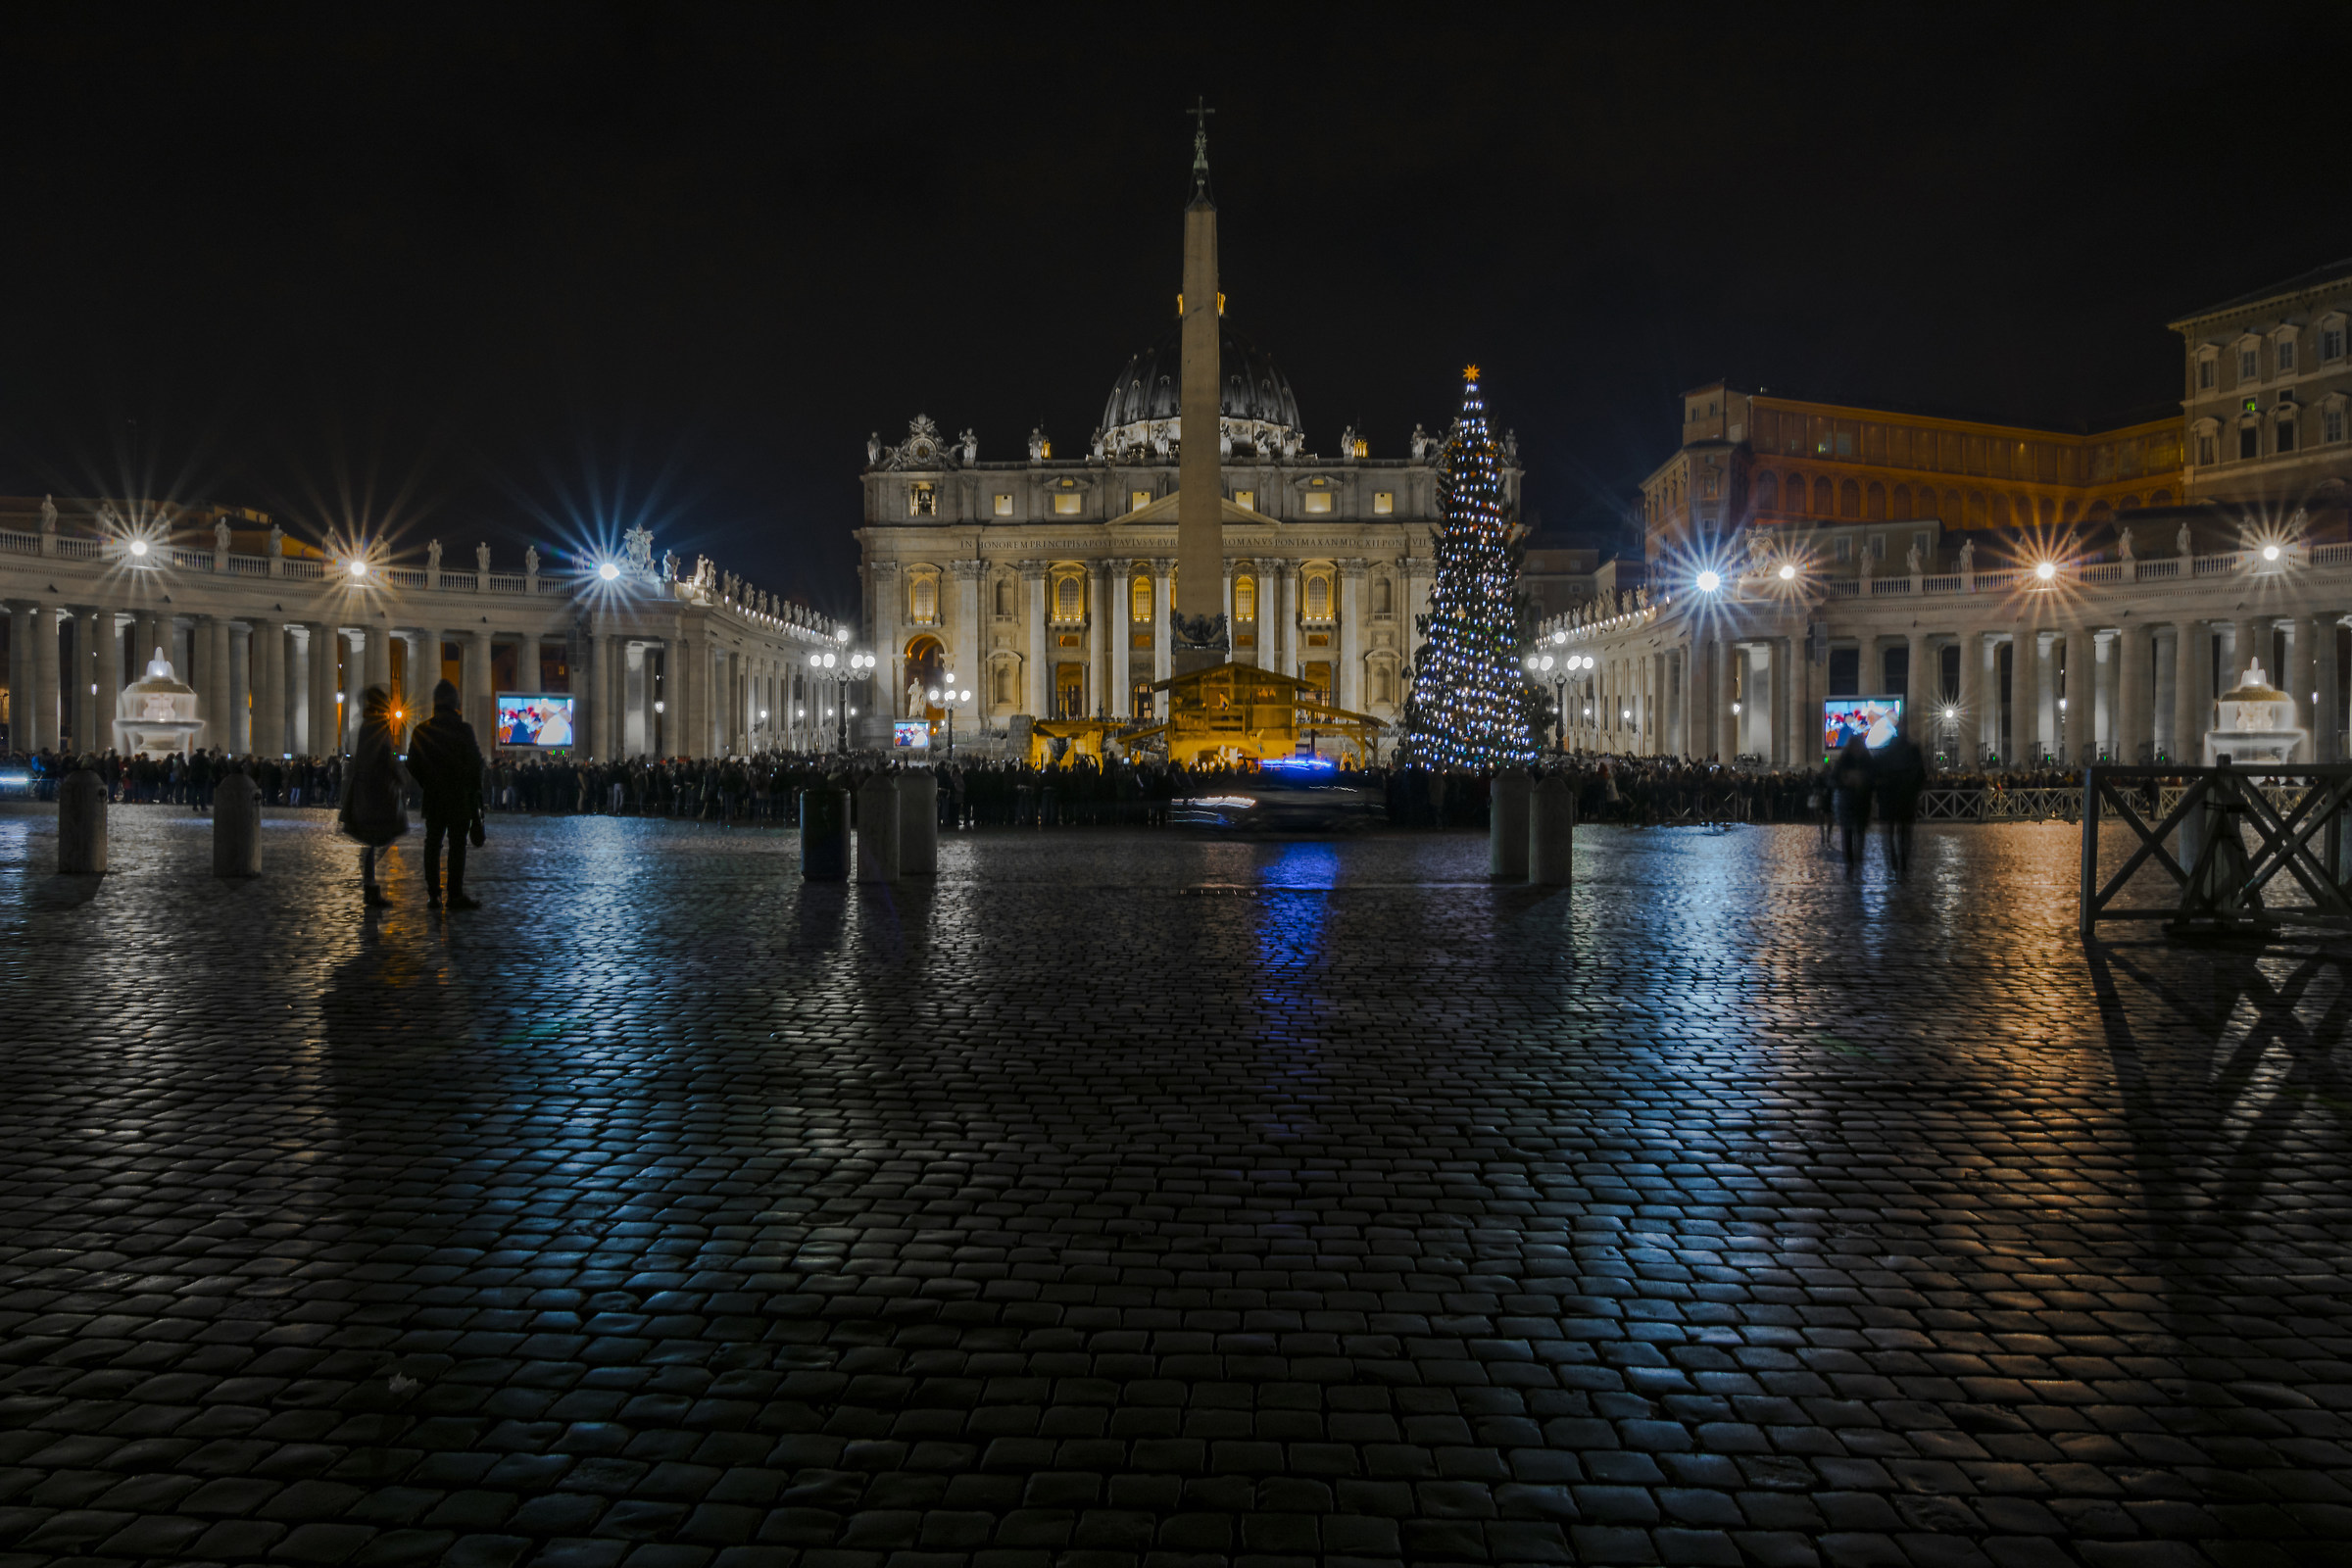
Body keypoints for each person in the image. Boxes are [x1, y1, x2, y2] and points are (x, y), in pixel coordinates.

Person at [406, 679, 486, 908]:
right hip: (459, 797)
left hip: (434, 796)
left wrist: (429, 782)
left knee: (432, 844)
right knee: (457, 845)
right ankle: (455, 894)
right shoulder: (463, 730)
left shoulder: (422, 730)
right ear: (455, 703)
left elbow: (412, 764)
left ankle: (433, 894)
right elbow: (476, 765)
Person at [338, 685, 411, 907]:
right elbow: (384, 758)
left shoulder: (367, 726)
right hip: (378, 793)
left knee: (375, 840)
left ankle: (370, 884)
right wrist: (399, 778)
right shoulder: (378, 726)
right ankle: (369, 885)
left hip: (367, 791)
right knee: (384, 836)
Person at [1875, 720, 1927, 874]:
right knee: (1905, 833)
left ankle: (1893, 861)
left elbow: (1877, 777)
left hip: (1889, 799)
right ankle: (1903, 862)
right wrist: (1915, 792)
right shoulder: (1913, 751)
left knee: (1889, 834)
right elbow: (1921, 775)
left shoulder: (1885, 752)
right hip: (1907, 798)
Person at [1833, 732, 1873, 874]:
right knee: (1847, 833)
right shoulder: (1844, 761)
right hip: (1847, 801)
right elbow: (1833, 779)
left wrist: (1864, 781)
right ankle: (1849, 861)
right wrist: (1845, 781)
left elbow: (1873, 778)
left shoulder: (1866, 760)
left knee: (1860, 832)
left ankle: (1858, 857)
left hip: (1862, 801)